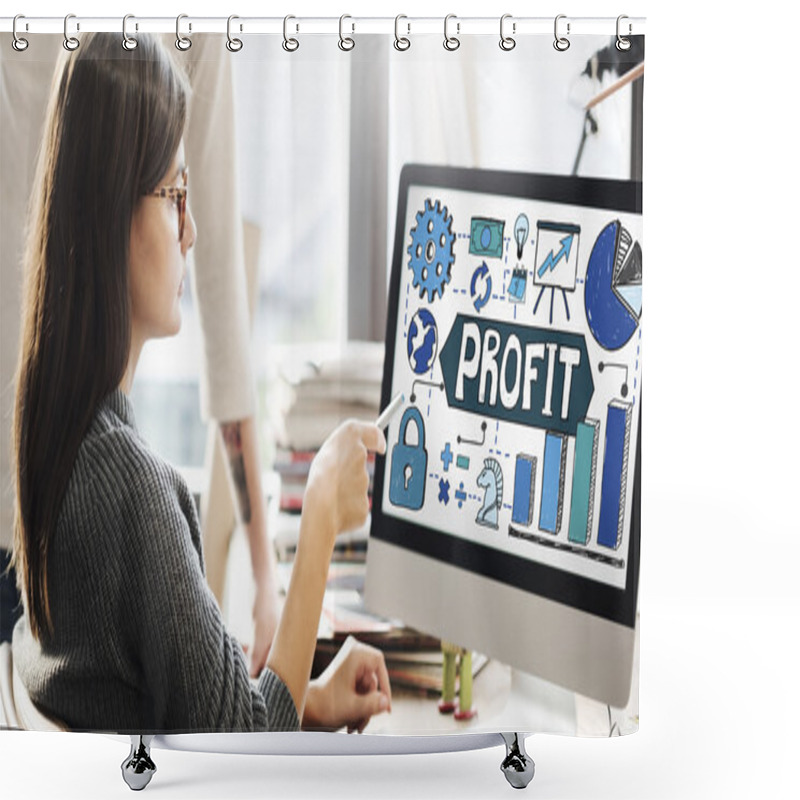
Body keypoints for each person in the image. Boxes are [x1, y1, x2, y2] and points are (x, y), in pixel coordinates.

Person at [10, 32, 391, 734]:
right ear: (110, 213)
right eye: (174, 195)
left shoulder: (64, 441)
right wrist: (318, 528)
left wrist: (301, 698)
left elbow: (207, 710)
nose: (191, 233)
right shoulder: (131, 490)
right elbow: (244, 749)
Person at [1, 33, 281, 676]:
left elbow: (218, 287)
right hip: (64, 501)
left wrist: (265, 572)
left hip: (57, 487)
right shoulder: (141, 500)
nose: (186, 226)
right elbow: (219, 285)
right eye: (171, 199)